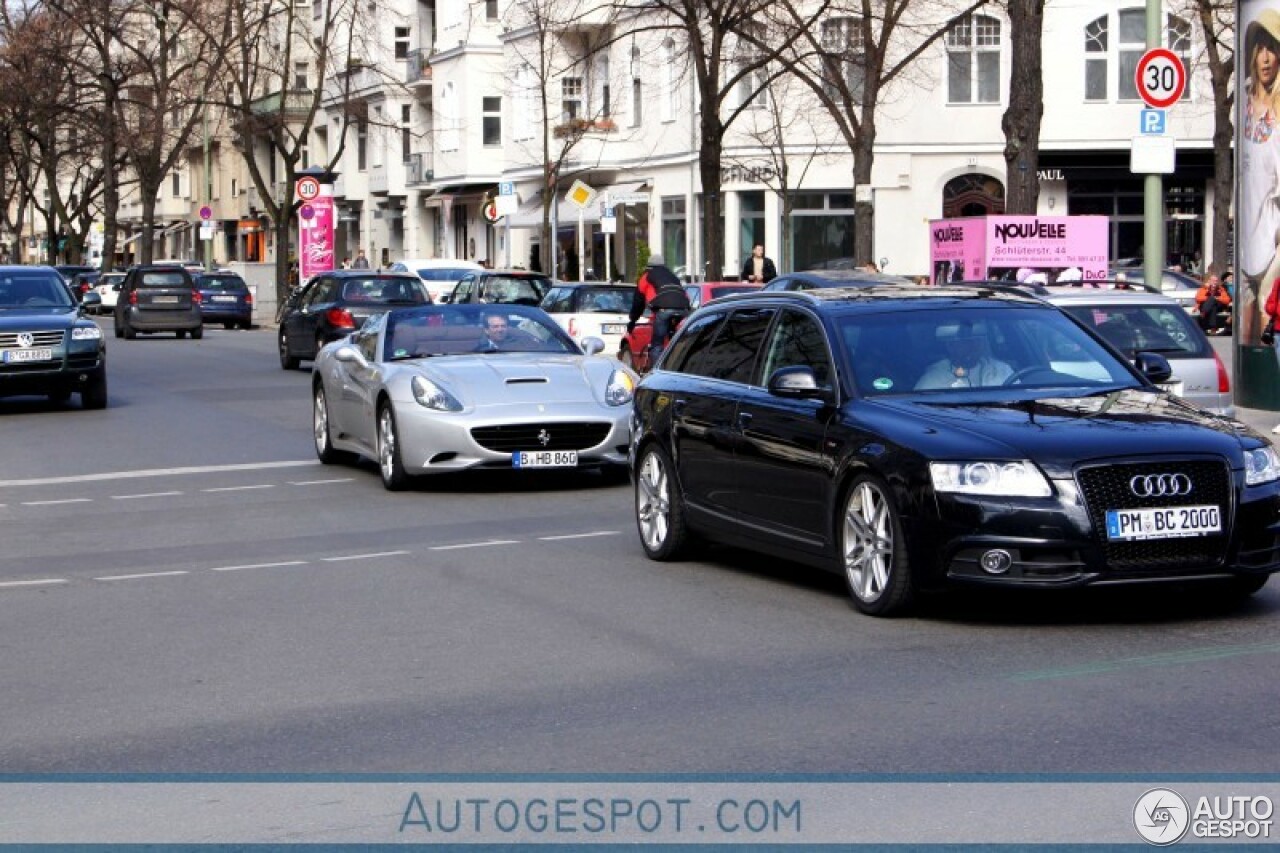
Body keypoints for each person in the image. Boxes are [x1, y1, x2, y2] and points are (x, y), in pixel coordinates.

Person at [1241, 10, 1280, 342]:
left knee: (1266, 329)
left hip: (1271, 244)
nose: (1265, 58)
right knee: (1247, 331)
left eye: (1273, 48)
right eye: (1260, 47)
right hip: (1246, 245)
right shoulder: (1243, 102)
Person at [629, 254, 691, 367]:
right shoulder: (673, 276)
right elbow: (684, 295)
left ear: (649, 265)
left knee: (657, 345)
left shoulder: (646, 277)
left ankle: (658, 373)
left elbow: (638, 302)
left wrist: (632, 320)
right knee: (680, 342)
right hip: (684, 309)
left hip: (663, 310)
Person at [915, 322, 1013, 390]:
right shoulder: (933, 379)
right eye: (967, 341)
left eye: (977, 339)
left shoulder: (1001, 370)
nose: (974, 345)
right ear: (951, 346)